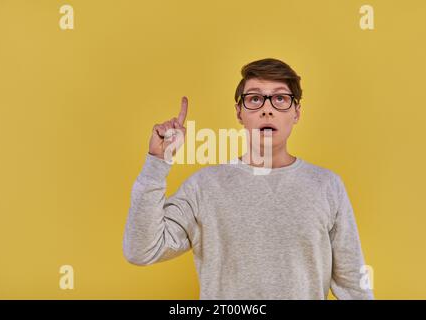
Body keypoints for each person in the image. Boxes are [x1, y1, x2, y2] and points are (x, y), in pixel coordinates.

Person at [122, 58, 374, 300]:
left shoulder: (327, 186)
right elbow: (141, 250)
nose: (267, 109)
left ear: (296, 112)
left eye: (280, 98)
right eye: (254, 98)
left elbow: (353, 285)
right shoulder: (204, 187)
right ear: (239, 113)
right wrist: (157, 161)